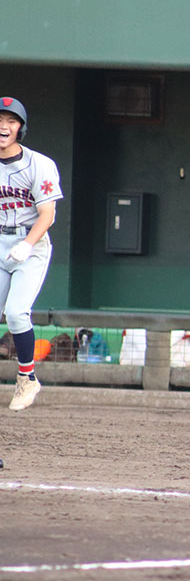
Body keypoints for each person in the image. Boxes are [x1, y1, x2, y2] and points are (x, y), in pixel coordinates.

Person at [0, 97, 63, 412]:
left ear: (20, 128)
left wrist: (27, 243)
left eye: (11, 121)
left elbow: (48, 214)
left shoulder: (39, 164)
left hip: (30, 244)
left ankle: (27, 377)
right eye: (0, 119)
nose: (3, 126)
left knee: (15, 312)